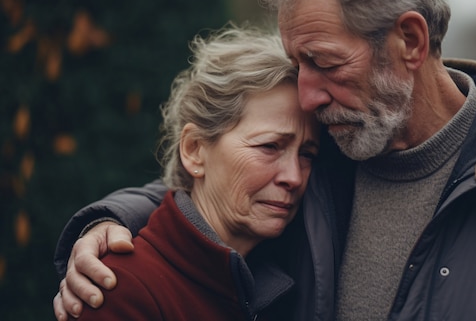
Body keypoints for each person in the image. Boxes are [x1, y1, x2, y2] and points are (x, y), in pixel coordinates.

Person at [54, 0, 476, 320]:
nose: (305, 93)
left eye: (324, 63)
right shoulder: (330, 137)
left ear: (409, 41)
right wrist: (108, 222)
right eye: (297, 62)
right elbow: (217, 186)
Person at [61, 25, 320, 320]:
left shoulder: (283, 276)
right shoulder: (118, 288)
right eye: (270, 146)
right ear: (194, 150)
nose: (295, 177)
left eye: (307, 154)